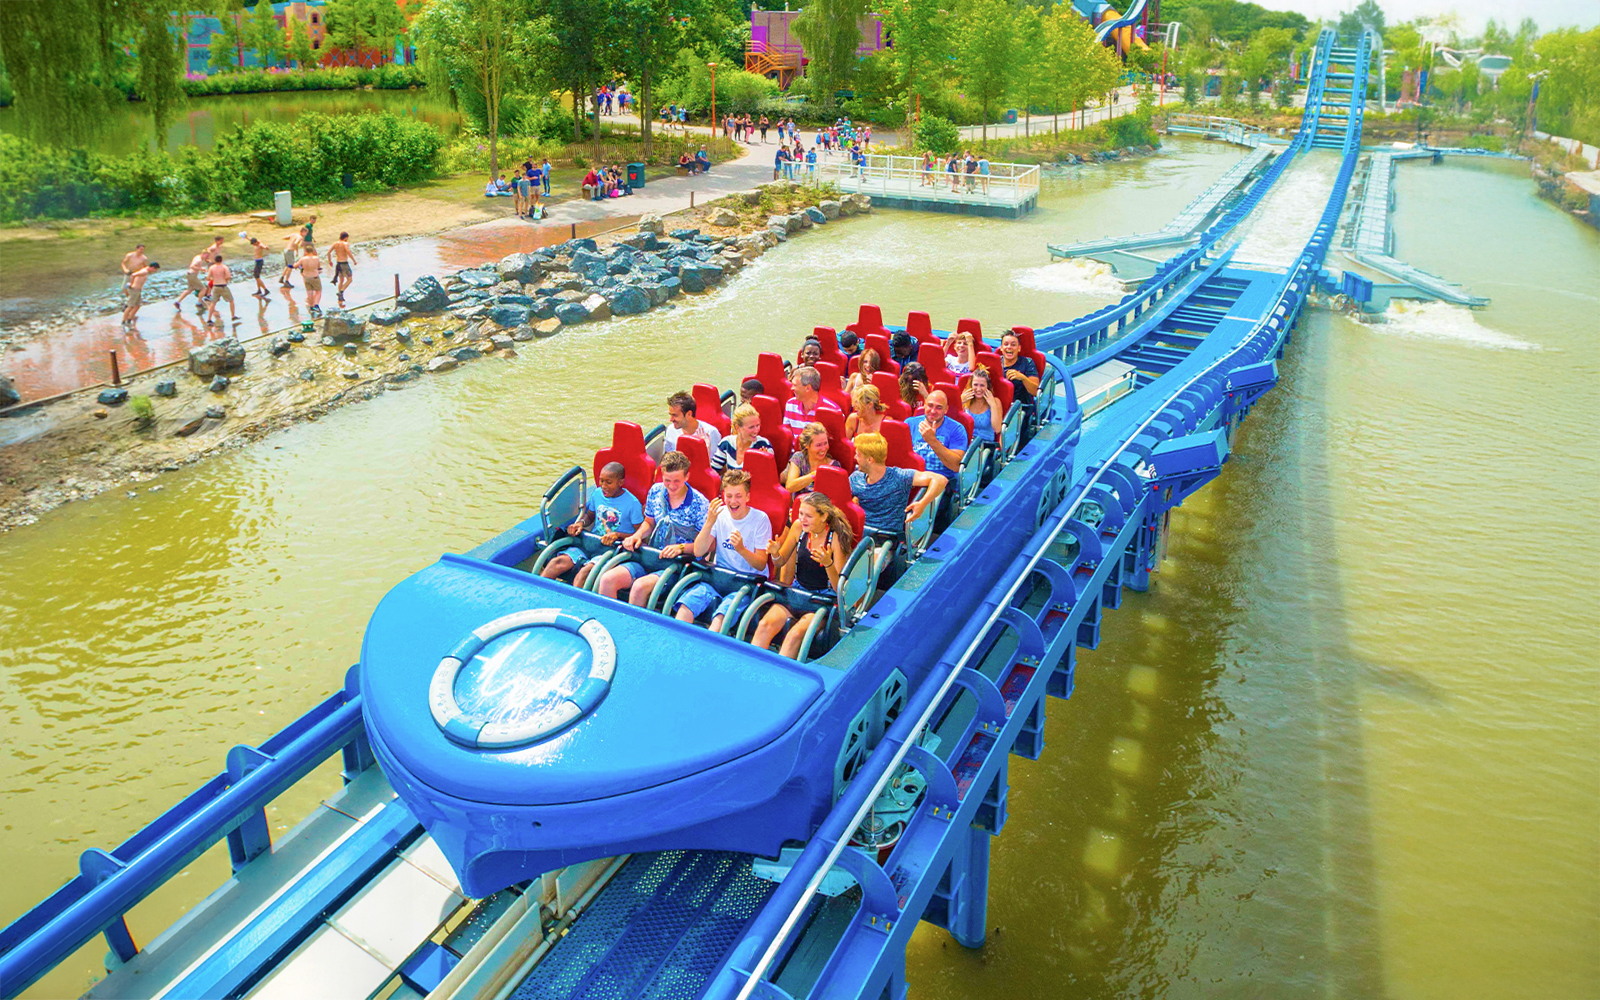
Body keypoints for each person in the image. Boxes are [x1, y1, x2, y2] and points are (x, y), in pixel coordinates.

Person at [662, 469, 773, 628]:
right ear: (723, 496)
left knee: (720, 618)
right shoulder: (719, 514)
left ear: (748, 497)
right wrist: (709, 522)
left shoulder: (760, 519)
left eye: (738, 496)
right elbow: (699, 551)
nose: (733, 501)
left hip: (746, 583)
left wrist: (741, 549)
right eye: (729, 496)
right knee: (685, 607)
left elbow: (761, 564)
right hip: (720, 577)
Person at [752, 491, 854, 657]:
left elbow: (839, 588)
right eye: (800, 513)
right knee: (765, 624)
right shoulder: (798, 527)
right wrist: (775, 553)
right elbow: (780, 561)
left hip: (821, 600)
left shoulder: (834, 538)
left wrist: (828, 563)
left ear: (823, 516)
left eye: (809, 516)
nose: (802, 519)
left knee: (794, 635)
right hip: (798, 592)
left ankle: (782, 678)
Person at [602, 451, 711, 604]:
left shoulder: (700, 504)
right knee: (607, 579)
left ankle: (636, 627)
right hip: (651, 557)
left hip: (678, 566)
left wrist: (681, 548)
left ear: (687, 477)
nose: (671, 486)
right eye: (667, 480)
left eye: (677, 481)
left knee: (639, 587)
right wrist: (637, 535)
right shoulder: (655, 491)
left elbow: (709, 545)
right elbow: (649, 522)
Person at [540, 461, 645, 587]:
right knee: (557, 562)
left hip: (612, 550)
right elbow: (590, 515)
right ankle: (536, 592)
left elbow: (641, 535)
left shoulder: (632, 504)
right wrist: (580, 523)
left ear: (621, 483)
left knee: (584, 573)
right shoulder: (597, 494)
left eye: (609, 482)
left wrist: (617, 535)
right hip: (592, 543)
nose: (604, 486)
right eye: (601, 481)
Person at [849, 432, 946, 540]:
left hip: (884, 540)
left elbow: (940, 480)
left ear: (870, 460)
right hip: (856, 534)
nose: (854, 458)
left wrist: (922, 504)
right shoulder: (855, 478)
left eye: (858, 455)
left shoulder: (899, 477)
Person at [907, 391, 967, 527]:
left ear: (946, 410)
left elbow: (955, 465)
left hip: (939, 484)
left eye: (939, 407)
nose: (933, 411)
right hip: (912, 478)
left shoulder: (957, 429)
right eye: (930, 406)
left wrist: (932, 441)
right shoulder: (910, 423)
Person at [713, 403, 773, 472]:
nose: (756, 431)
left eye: (757, 425)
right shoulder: (726, 443)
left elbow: (769, 477)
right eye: (751, 427)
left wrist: (763, 463)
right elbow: (714, 471)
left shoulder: (764, 445)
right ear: (737, 428)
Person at [784, 422, 840, 495]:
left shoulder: (834, 466)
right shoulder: (799, 458)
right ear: (807, 445)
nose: (823, 449)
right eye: (818, 445)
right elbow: (789, 487)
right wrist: (814, 475)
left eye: (825, 443)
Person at [783, 366, 840, 434]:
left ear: (808, 388)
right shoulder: (790, 404)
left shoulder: (833, 410)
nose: (792, 388)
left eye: (795, 385)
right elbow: (787, 434)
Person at [664, 390, 722, 455]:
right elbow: (667, 458)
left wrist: (705, 450)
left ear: (689, 414)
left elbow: (718, 464)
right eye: (670, 415)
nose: (671, 419)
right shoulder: (670, 430)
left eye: (675, 415)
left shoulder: (711, 433)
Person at [999, 329, 1040, 420]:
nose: (1009, 347)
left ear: (1019, 348)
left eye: (1013, 345)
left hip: (1020, 409)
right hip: (998, 406)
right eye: (1006, 344)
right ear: (1001, 348)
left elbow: (1035, 391)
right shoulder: (996, 362)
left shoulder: (1027, 363)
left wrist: (1023, 378)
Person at [961, 368, 1003, 448]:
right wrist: (960, 403)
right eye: (975, 385)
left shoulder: (995, 402)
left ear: (987, 387)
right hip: (967, 443)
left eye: (982, 385)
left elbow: (997, 429)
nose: (978, 389)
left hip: (986, 445)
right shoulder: (965, 399)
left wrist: (993, 405)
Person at [204, 254, 237, 326]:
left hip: (215, 286)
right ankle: (233, 316)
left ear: (215, 260)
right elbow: (228, 276)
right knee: (231, 301)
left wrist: (213, 279)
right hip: (223, 286)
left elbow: (207, 278)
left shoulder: (212, 268)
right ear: (221, 260)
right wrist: (225, 280)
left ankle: (209, 319)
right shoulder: (224, 267)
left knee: (213, 303)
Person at [296, 244, 324, 315]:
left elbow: (296, 265)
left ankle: (311, 306)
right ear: (312, 251)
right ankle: (316, 305)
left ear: (305, 251)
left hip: (306, 277)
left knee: (309, 292)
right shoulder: (316, 258)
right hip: (315, 276)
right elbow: (318, 267)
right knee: (318, 291)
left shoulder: (302, 259)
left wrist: (292, 265)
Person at [330, 232, 355, 304]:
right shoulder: (345, 244)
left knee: (341, 280)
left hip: (338, 264)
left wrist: (329, 260)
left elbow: (328, 252)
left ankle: (340, 298)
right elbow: (348, 252)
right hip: (344, 263)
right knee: (349, 279)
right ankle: (341, 291)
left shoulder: (335, 243)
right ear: (346, 237)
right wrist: (354, 260)